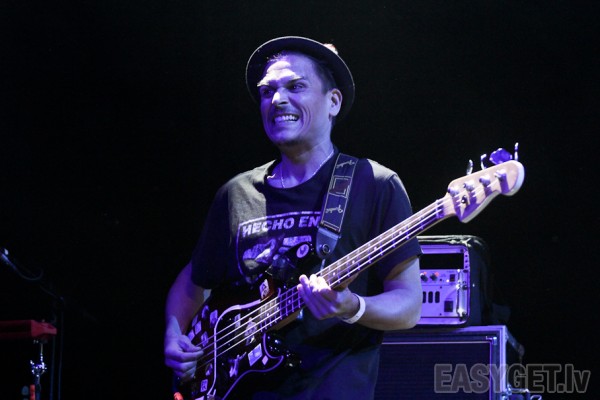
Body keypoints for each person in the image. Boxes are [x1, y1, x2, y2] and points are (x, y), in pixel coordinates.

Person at [164, 36, 422, 400]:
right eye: (267, 91)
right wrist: (174, 333)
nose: (277, 100)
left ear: (333, 102)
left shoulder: (374, 184)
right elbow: (192, 282)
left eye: (296, 87)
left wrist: (354, 307)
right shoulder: (236, 193)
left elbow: (409, 304)